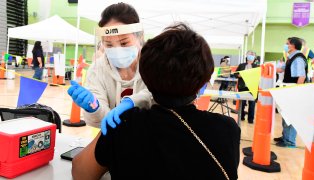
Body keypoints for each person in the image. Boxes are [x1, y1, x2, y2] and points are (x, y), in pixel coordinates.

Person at [72, 23, 240, 180]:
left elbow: (80, 173)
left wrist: (108, 130)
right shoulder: (227, 129)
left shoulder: (124, 123)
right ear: (204, 83)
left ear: (144, 76)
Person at [68, 3, 153, 128]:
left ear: (139, 36)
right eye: (109, 44)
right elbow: (104, 121)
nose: (117, 50)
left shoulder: (155, 64)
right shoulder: (98, 70)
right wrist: (94, 107)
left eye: (124, 43)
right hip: (115, 140)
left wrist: (133, 101)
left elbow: (164, 97)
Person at [274, 37, 308, 148]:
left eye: (287, 43)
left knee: (291, 116)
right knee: (285, 115)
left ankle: (290, 141)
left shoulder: (298, 58)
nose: (285, 45)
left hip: (293, 89)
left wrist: (296, 92)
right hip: (288, 88)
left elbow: (301, 76)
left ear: (293, 45)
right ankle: (285, 137)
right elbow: (281, 69)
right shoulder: (290, 57)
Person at [235, 50, 258, 124]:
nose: (250, 55)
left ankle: (250, 119)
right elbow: (235, 74)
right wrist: (240, 75)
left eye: (252, 54)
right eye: (249, 54)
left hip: (252, 87)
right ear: (247, 56)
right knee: (242, 103)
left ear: (254, 57)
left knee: (252, 104)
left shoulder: (256, 66)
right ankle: (241, 117)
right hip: (242, 86)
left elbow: (258, 76)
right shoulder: (241, 65)